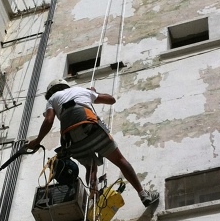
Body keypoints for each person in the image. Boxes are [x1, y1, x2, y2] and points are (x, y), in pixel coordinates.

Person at [27, 79, 159, 207]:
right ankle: (143, 194)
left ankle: (94, 201)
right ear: (65, 86)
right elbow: (111, 100)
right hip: (92, 129)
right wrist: (93, 92)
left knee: (90, 168)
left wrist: (37, 141)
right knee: (119, 160)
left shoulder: (52, 99)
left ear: (50, 92)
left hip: (72, 140)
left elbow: (49, 120)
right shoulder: (80, 90)